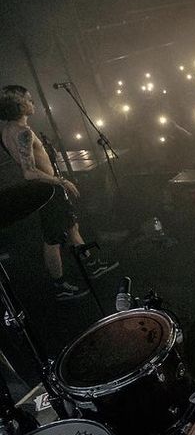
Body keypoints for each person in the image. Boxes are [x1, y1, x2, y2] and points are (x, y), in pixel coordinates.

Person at [0, 85, 118, 301]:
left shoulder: (7, 129)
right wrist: (60, 181)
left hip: (46, 189)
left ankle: (90, 264)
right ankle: (60, 284)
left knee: (72, 225)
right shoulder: (23, 132)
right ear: (19, 105)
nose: (33, 102)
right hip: (47, 190)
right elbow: (28, 172)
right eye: (28, 99)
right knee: (52, 239)